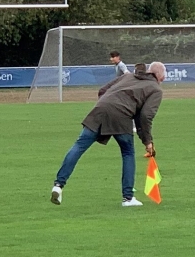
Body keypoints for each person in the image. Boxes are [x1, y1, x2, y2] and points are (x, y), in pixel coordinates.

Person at [50, 62, 163, 208]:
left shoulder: (127, 77)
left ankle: (58, 185)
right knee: (128, 153)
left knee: (79, 146)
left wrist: (108, 106)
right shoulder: (155, 89)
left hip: (100, 110)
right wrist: (147, 141)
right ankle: (128, 198)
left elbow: (102, 90)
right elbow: (146, 116)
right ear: (160, 76)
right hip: (121, 116)